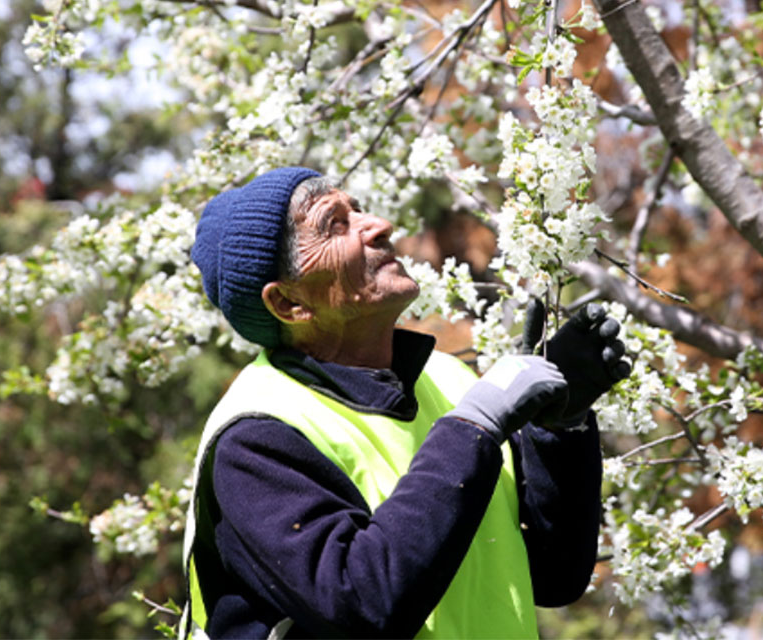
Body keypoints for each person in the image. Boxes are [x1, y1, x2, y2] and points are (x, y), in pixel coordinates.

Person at [179, 166, 632, 639]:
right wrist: (473, 429)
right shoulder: (255, 437)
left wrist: (558, 429)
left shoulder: (448, 379)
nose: (379, 225)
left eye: (357, 209)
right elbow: (361, 604)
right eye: (334, 224)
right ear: (289, 304)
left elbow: (555, 576)